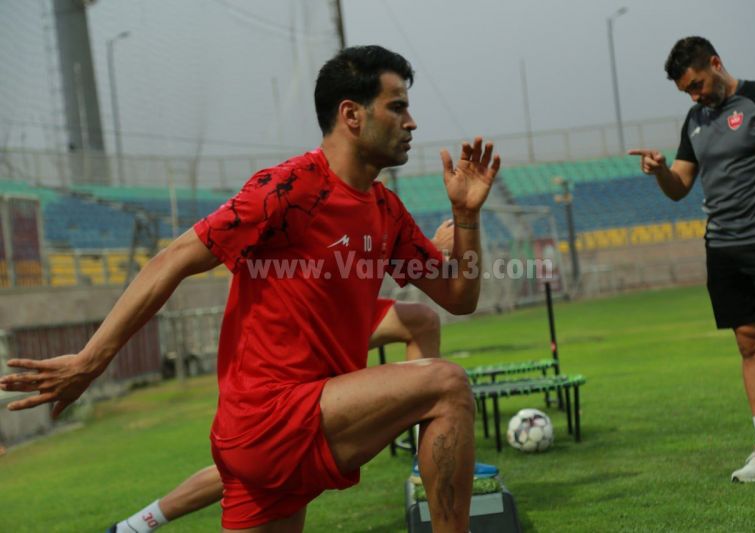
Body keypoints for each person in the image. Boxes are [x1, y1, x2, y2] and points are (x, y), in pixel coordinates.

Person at [1, 44, 500, 532]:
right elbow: (170, 260)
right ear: (351, 114)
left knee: (437, 372)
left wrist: (466, 216)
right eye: (397, 107)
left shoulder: (386, 211)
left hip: (285, 430)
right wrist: (91, 359)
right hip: (272, 416)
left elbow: (459, 297)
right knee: (446, 385)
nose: (411, 123)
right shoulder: (288, 188)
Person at [107, 221, 465, 533]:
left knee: (422, 321)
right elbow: (180, 256)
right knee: (256, 464)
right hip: (294, 353)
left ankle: (426, 449)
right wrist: (92, 359)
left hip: (338, 324)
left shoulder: (369, 207)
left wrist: (436, 246)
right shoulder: (300, 201)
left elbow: (431, 283)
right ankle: (138, 524)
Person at [629, 36, 755, 483]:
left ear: (717, 64)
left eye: (698, 84)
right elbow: (681, 186)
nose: (696, 95)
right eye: (687, 90)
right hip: (723, 244)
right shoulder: (694, 119)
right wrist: (661, 170)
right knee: (749, 341)